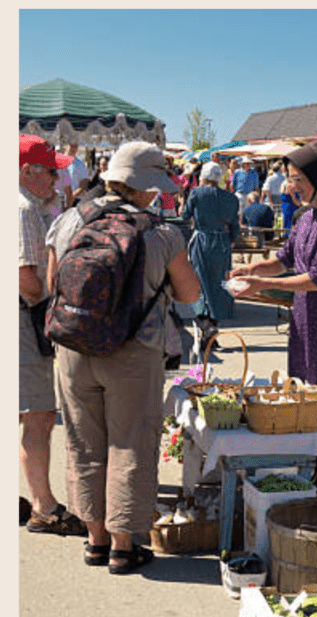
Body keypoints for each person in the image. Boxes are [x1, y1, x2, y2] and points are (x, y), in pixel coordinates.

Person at [45, 141, 200, 574]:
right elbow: (190, 294)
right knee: (130, 445)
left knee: (83, 444)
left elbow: (55, 283)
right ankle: (122, 547)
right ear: (147, 187)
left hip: (74, 348)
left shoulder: (70, 220)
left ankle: (94, 542)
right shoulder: (162, 233)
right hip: (135, 351)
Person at [228, 140, 317, 397]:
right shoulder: (306, 216)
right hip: (306, 313)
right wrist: (251, 270)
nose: (292, 187)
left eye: (297, 179)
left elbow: (316, 279)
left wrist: (262, 284)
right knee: (304, 382)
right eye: (291, 179)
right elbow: (282, 260)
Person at [19, 134, 86, 535]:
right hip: (25, 319)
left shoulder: (33, 205)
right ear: (27, 171)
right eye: (51, 172)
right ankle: (44, 507)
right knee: (39, 416)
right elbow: (26, 281)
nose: (58, 180)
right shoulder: (23, 209)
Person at [183, 160, 241, 333]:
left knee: (200, 282)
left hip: (202, 241)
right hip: (222, 242)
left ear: (203, 178)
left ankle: (205, 321)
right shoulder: (231, 198)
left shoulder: (196, 193)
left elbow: (185, 215)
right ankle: (216, 320)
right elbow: (235, 226)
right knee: (220, 283)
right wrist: (230, 240)